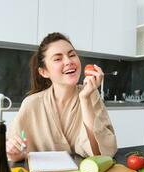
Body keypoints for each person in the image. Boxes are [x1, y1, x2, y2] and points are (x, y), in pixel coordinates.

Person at [6, 32, 117, 162]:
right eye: (58, 59)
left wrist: (85, 99)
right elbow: (13, 150)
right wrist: (15, 153)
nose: (69, 61)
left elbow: (102, 153)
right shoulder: (31, 104)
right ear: (44, 71)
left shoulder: (90, 95)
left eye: (72, 55)